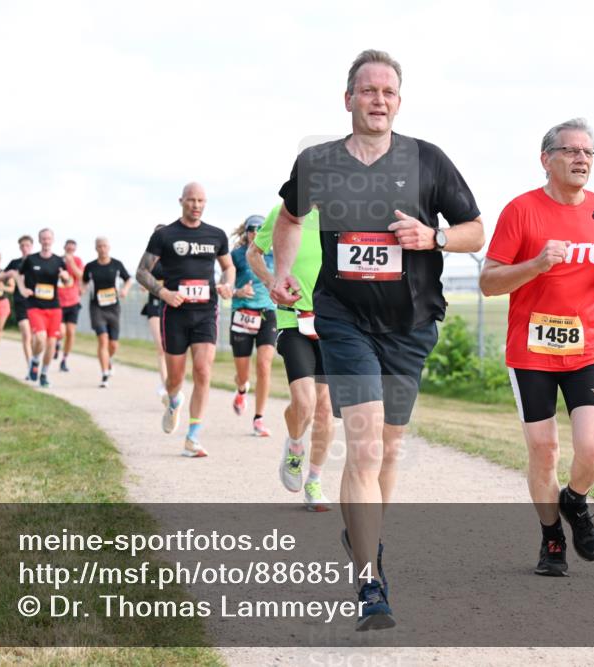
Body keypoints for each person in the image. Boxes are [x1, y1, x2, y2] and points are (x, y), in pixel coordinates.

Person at [271, 50, 484, 630]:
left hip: (411, 326)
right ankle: (370, 583)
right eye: (368, 91)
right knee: (363, 448)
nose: (379, 100)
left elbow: (475, 231)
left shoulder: (428, 161)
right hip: (342, 318)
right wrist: (284, 272)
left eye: (388, 91)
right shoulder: (318, 162)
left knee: (388, 449)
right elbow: (289, 220)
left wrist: (432, 236)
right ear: (349, 99)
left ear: (399, 101)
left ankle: (367, 537)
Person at [479, 118, 594, 578]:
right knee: (544, 451)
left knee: (592, 451)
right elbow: (488, 282)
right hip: (532, 352)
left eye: (588, 152)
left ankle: (576, 502)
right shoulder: (520, 211)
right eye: (570, 151)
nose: (581, 159)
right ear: (546, 160)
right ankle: (551, 537)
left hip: (587, 348)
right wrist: (537, 264)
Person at [136, 182, 234, 458]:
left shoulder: (216, 235)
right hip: (175, 313)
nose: (196, 205)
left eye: (201, 200)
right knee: (175, 379)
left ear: (206, 202)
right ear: (181, 201)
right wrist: (163, 292)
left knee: (203, 370)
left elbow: (229, 268)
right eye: (191, 200)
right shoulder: (165, 235)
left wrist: (227, 283)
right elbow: (142, 272)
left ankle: (192, 437)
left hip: (205, 311)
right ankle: (174, 400)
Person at [250, 203, 334, 512]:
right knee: (305, 401)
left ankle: (313, 481)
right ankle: (295, 445)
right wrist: (273, 282)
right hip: (292, 319)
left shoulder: (345, 211)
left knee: (324, 409)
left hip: (333, 323)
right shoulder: (285, 212)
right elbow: (253, 254)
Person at [2, 228, 71, 388]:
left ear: (52, 240)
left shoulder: (58, 261)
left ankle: (44, 374)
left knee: (52, 343)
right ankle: (34, 361)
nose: (46, 241)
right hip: (35, 306)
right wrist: (22, 289)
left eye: (49, 239)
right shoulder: (31, 260)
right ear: (39, 241)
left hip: (54, 307)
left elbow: (67, 282)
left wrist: (66, 278)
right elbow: (17, 274)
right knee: (40, 338)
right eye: (43, 239)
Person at [229, 215, 277, 438]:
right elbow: (227, 285)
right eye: (251, 229)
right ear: (245, 232)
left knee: (264, 365)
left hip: (268, 313)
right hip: (243, 313)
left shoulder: (275, 254)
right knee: (243, 372)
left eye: (261, 229)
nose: (256, 233)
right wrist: (238, 292)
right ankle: (241, 389)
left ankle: (259, 418)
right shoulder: (237, 256)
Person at [82, 237, 132, 387]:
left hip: (113, 308)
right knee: (103, 339)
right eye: (99, 246)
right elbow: (84, 281)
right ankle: (104, 374)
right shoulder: (90, 266)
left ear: (109, 247)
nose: (102, 249)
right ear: (96, 248)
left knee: (113, 345)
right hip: (97, 307)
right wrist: (82, 288)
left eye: (104, 246)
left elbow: (128, 279)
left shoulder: (117, 264)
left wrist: (125, 289)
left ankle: (107, 359)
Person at [139, 224, 169, 397]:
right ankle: (165, 384)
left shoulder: (175, 257)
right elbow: (142, 277)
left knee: (173, 348)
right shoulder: (150, 258)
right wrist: (149, 285)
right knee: (161, 346)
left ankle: (173, 381)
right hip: (155, 304)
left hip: (173, 304)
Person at [4, 235, 35, 375]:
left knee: (36, 337)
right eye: (22, 245)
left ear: (32, 246)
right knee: (26, 334)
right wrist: (9, 280)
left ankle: (35, 361)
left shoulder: (38, 261)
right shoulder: (14, 263)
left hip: (36, 302)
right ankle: (30, 367)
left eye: (27, 245)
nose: (25, 248)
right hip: (20, 301)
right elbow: (1, 277)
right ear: (19, 247)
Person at [57, 239, 85, 372]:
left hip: (73, 301)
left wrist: (71, 262)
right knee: (61, 332)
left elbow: (80, 276)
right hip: (58, 301)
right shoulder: (57, 260)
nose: (70, 251)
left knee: (71, 332)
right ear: (64, 248)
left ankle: (64, 359)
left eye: (72, 250)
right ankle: (57, 343)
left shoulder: (78, 261)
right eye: (68, 249)